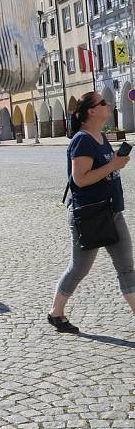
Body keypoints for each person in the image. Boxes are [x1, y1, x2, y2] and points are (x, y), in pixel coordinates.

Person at [48, 91, 135, 333]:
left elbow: (104, 170)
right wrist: (112, 165)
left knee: (126, 267)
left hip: (111, 211)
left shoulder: (100, 137)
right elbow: (80, 180)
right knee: (79, 268)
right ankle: (56, 313)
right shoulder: (83, 140)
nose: (108, 105)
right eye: (103, 103)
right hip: (89, 215)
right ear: (91, 111)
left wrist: (114, 161)